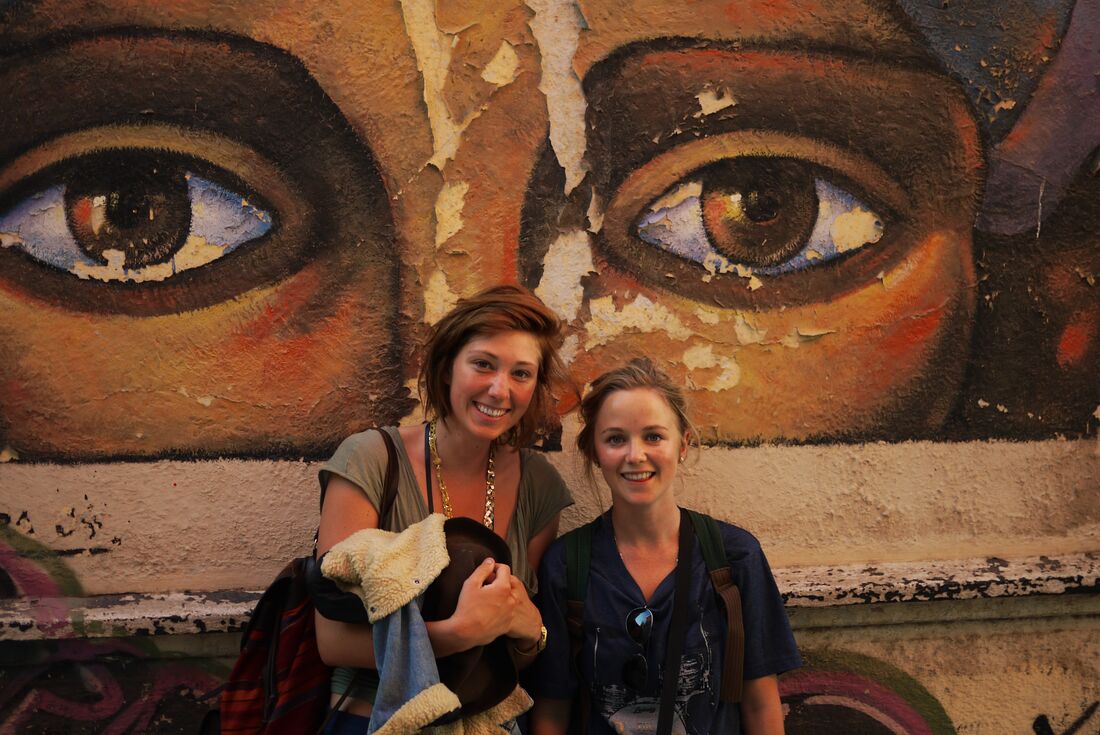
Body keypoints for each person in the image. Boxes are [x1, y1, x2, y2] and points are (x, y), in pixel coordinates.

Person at [314, 284, 574, 732]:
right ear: (448, 367)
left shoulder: (539, 485)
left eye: (521, 373)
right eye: (483, 364)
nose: (499, 389)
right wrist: (461, 634)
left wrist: (533, 632)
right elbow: (333, 641)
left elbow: (515, 652)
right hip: (376, 719)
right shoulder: (372, 460)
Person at [528, 358, 801, 734]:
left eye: (653, 436)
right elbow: (553, 711)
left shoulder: (734, 558)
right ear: (594, 451)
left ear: (683, 444)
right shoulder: (566, 565)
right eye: (615, 439)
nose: (635, 455)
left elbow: (760, 703)